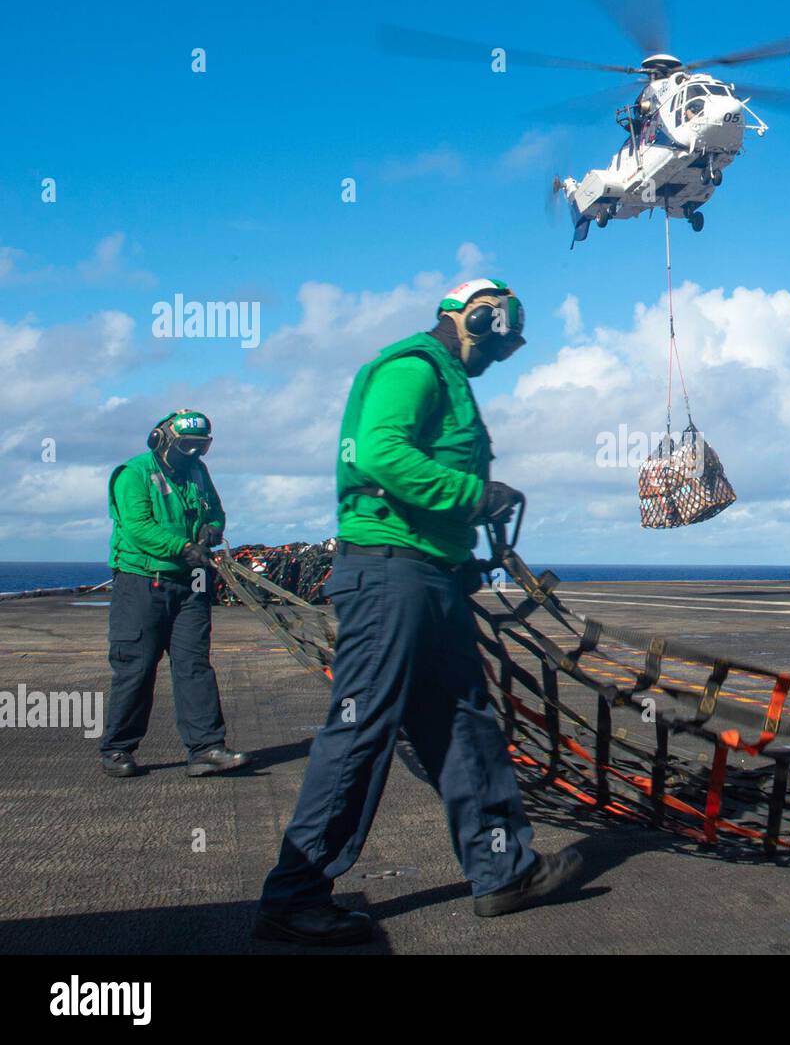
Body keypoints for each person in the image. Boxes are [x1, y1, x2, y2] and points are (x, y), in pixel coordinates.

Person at [255, 278, 583, 946]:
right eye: (503, 342)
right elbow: (382, 453)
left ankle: (503, 871)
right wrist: (473, 494)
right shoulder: (414, 367)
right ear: (483, 318)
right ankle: (294, 896)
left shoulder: (449, 378)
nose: (502, 358)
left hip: (429, 577)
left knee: (465, 725)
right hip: (389, 575)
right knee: (362, 728)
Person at [101, 409, 248, 778]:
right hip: (142, 582)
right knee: (136, 666)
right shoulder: (133, 474)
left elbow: (215, 510)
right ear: (162, 440)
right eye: (187, 446)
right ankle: (118, 749)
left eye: (202, 447)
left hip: (190, 586)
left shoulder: (198, 472)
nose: (194, 454)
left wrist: (212, 529)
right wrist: (183, 548)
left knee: (194, 665)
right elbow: (138, 527)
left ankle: (206, 749)